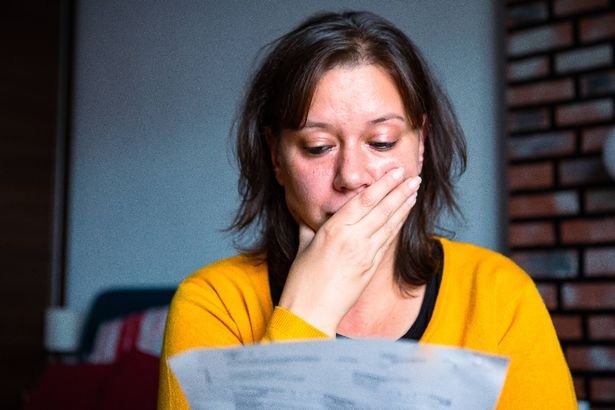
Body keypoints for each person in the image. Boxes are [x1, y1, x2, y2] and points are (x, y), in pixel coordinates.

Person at [158, 10, 577, 409]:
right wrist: (309, 310)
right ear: (275, 156)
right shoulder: (213, 303)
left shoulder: (499, 295)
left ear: (422, 145)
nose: (352, 176)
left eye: (381, 142)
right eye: (318, 147)